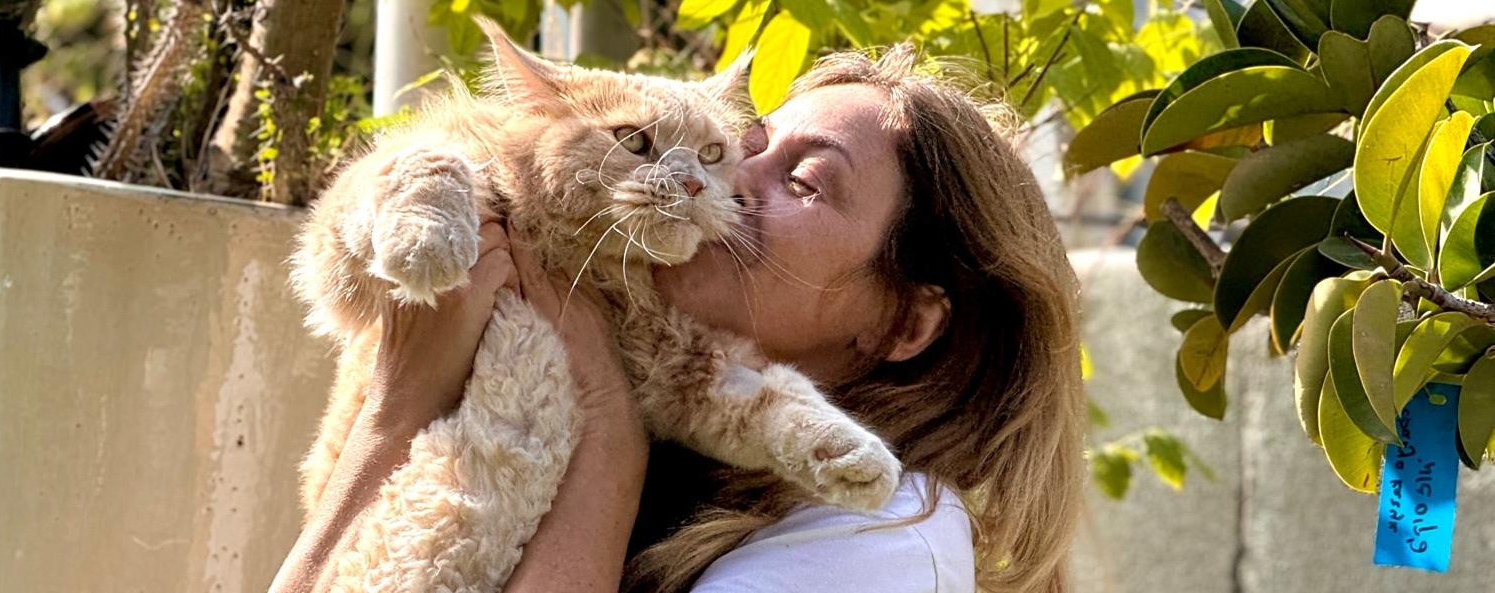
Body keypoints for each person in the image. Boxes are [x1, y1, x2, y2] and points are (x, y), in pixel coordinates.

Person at [273, 44, 1085, 593]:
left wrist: (608, 435)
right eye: (748, 145)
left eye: (803, 181)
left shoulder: (882, 542)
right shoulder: (680, 443)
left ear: (902, 323)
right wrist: (395, 410)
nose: (725, 183)